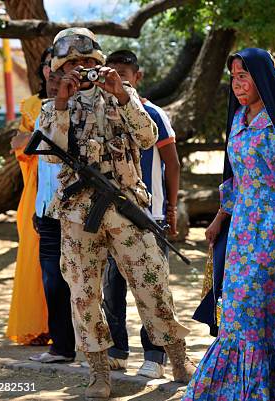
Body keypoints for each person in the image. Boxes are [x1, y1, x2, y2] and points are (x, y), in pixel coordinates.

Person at [39, 27, 193, 399]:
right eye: (74, 63)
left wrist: (122, 96)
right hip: (78, 214)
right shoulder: (53, 106)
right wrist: (61, 102)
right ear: (60, 68)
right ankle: (98, 371)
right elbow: (48, 153)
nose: (83, 69)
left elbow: (146, 137)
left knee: (152, 283)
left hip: (125, 208)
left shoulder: (123, 96)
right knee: (84, 294)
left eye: (89, 62)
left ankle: (177, 355)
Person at [183, 48, 275, 401]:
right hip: (242, 228)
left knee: (260, 307)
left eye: (244, 75)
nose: (237, 84)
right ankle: (236, 385)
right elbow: (235, 177)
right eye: (233, 76)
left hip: (274, 228)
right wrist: (219, 217)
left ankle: (266, 386)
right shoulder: (238, 120)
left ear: (262, 77)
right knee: (236, 306)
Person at [98, 49, 181, 378]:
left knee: (152, 288)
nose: (117, 79)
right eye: (111, 73)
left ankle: (155, 356)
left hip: (150, 216)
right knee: (112, 287)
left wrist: (171, 208)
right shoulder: (100, 114)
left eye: (124, 74)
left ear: (137, 77)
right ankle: (118, 350)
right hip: (110, 216)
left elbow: (172, 163)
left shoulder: (153, 114)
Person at [29, 68, 78, 364]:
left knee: (84, 283)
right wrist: (38, 205)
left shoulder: (80, 113)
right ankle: (61, 347)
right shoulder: (44, 114)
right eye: (51, 81)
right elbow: (41, 166)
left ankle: (106, 350)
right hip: (46, 211)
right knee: (52, 281)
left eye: (61, 81)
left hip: (76, 211)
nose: (55, 87)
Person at [6, 47, 52, 346]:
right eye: (47, 64)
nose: (52, 69)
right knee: (33, 259)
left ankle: (66, 330)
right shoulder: (32, 104)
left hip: (67, 189)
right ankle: (36, 328)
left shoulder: (80, 103)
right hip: (35, 191)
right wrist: (42, 132)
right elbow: (18, 143)